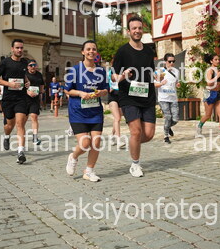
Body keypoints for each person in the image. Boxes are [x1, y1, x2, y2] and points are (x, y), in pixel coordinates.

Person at [112, 15, 156, 177]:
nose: (137, 31)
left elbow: (151, 71)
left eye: (139, 28)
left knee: (149, 134)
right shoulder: (122, 51)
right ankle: (135, 164)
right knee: (136, 132)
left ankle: (132, 142)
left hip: (147, 96)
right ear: (129, 31)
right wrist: (122, 76)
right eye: (134, 28)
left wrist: (156, 76)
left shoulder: (149, 51)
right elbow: (113, 77)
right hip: (128, 96)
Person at [64, 40, 109, 182]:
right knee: (84, 144)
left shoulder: (101, 71)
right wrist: (80, 93)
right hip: (78, 112)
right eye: (88, 49)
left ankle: (89, 171)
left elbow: (106, 89)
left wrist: (101, 92)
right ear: (83, 52)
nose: (91, 51)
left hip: (95, 112)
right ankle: (73, 157)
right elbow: (67, 90)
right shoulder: (75, 70)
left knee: (96, 142)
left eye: (94, 49)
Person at [0, 39, 30, 164]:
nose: (20, 50)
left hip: (21, 98)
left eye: (21, 48)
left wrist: (27, 82)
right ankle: (6, 136)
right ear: (12, 49)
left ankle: (20, 152)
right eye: (17, 48)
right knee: (9, 125)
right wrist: (9, 84)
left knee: (20, 124)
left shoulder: (25, 62)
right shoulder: (5, 62)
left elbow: (24, 76)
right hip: (8, 98)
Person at [196, 54, 220, 140]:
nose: (218, 61)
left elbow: (218, 82)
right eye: (215, 59)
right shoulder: (210, 70)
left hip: (218, 94)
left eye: (218, 59)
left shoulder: (218, 70)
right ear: (211, 61)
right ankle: (199, 127)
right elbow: (209, 83)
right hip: (210, 94)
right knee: (208, 115)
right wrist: (218, 76)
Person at [155, 53, 180, 144]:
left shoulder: (176, 71)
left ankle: (168, 127)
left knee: (175, 119)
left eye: (173, 61)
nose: (172, 63)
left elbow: (176, 82)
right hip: (163, 98)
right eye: (170, 61)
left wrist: (177, 84)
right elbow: (155, 84)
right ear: (165, 61)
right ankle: (166, 136)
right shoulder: (159, 71)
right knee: (168, 117)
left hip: (173, 98)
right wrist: (161, 83)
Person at [107, 59, 126, 148]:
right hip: (113, 96)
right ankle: (119, 141)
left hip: (121, 96)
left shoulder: (123, 73)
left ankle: (112, 136)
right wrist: (108, 88)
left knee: (118, 118)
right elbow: (105, 84)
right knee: (117, 118)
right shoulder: (109, 73)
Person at [25, 59, 45, 146]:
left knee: (34, 117)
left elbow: (42, 85)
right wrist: (27, 92)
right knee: (23, 119)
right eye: (31, 65)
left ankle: (35, 137)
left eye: (34, 65)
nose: (33, 67)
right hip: (24, 99)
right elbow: (20, 86)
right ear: (27, 67)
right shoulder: (24, 74)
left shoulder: (39, 74)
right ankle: (21, 135)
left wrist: (40, 92)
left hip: (35, 99)